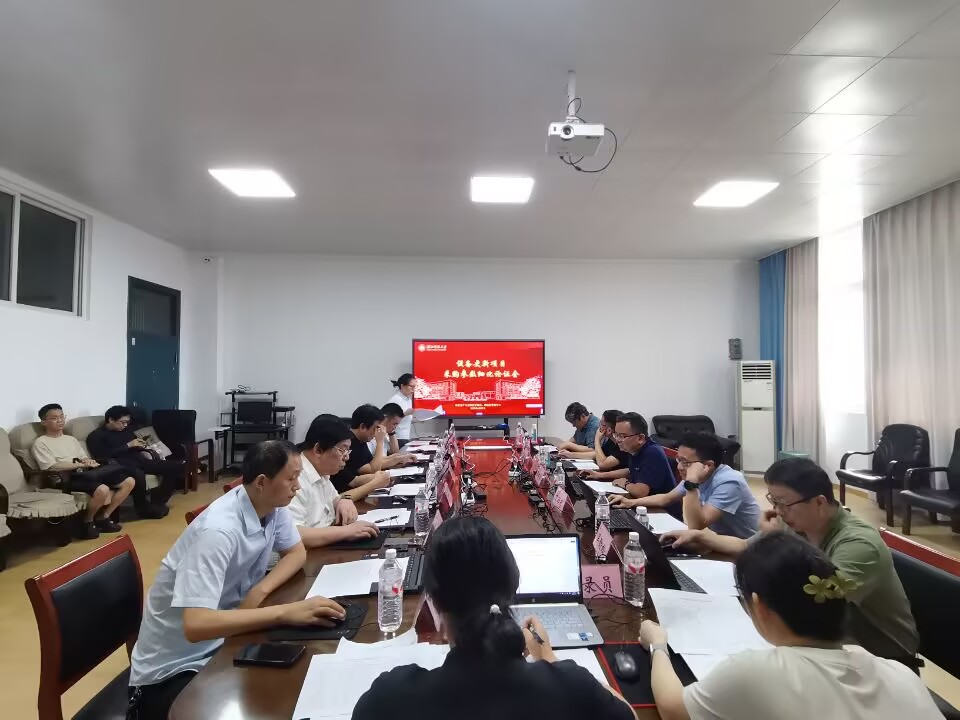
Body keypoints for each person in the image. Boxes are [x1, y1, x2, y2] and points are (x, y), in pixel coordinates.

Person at [127, 440, 345, 720]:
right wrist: (283, 612)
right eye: (292, 478)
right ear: (262, 482)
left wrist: (258, 592)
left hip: (225, 642)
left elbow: (296, 552)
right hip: (174, 671)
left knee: (300, 676)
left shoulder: (271, 505)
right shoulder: (217, 532)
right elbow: (196, 625)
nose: (298, 487)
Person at [352, 516, 636, 720]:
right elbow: (628, 715)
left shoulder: (389, 699)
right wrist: (549, 658)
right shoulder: (572, 688)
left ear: (435, 602)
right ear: (513, 587)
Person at [639, 531, 940, 720]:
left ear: (759, 606)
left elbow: (673, 708)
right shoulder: (900, 675)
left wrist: (658, 645)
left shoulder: (756, 671)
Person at [660, 457, 919, 662]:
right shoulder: (797, 521)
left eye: (784, 503)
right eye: (774, 501)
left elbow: (817, 605)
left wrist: (774, 543)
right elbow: (746, 546)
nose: (778, 511)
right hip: (822, 644)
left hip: (877, 659)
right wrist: (702, 537)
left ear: (819, 502)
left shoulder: (858, 545)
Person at [612, 432, 759, 538]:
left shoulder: (729, 482)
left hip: (748, 546)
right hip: (724, 540)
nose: (679, 467)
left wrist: (691, 482)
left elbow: (696, 525)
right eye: (679, 460)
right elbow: (666, 498)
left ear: (708, 465)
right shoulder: (698, 473)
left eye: (685, 462)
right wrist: (630, 502)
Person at [31, 403, 136, 539]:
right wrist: (78, 464)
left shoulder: (71, 439)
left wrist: (88, 461)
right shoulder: (41, 443)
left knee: (129, 481)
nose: (60, 420)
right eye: (55, 418)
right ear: (44, 422)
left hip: (85, 473)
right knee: (102, 489)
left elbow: (83, 457)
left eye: (62, 416)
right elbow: (51, 466)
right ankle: (87, 521)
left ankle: (104, 516)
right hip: (64, 478)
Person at [289, 416, 380, 548]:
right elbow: (293, 535)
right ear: (318, 450)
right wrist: (346, 531)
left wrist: (344, 500)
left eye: (348, 450)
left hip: (327, 545)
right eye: (342, 450)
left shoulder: (322, 471)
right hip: (310, 553)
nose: (347, 457)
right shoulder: (294, 477)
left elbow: (335, 498)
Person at [87, 405, 181, 518]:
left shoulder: (125, 431)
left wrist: (140, 445)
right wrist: (128, 445)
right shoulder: (96, 436)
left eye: (127, 422)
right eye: (122, 422)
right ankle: (142, 507)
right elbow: (102, 455)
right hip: (120, 465)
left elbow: (133, 446)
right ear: (111, 419)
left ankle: (158, 502)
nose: (125, 425)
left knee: (176, 466)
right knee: (137, 473)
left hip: (140, 461)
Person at [605, 413, 677, 501]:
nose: (617, 440)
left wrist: (625, 484)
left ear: (640, 438)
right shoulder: (633, 448)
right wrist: (600, 475)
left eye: (622, 436)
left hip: (661, 507)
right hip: (643, 502)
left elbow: (641, 492)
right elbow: (630, 470)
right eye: (616, 435)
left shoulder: (652, 452)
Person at [329, 404, 393, 500]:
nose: (347, 456)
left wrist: (384, 477)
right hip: (351, 496)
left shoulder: (360, 441)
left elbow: (354, 480)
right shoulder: (352, 443)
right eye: (376, 428)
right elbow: (373, 469)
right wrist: (380, 442)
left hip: (353, 495)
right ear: (362, 426)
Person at [580, 409, 630, 483]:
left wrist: (597, 439)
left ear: (609, 430)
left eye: (601, 424)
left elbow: (602, 464)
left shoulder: (623, 445)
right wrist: (570, 455)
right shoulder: (611, 441)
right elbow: (596, 454)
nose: (599, 427)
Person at [367, 403, 417, 468]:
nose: (395, 427)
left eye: (397, 424)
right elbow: (374, 464)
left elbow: (395, 452)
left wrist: (391, 432)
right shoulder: (370, 436)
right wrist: (398, 459)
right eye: (394, 424)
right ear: (385, 418)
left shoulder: (384, 433)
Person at [387, 373, 417, 446]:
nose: (413, 389)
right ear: (402, 386)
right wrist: (405, 413)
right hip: (397, 438)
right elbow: (388, 420)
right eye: (411, 386)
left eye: (415, 387)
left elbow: (407, 419)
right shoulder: (396, 399)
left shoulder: (408, 400)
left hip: (405, 436)